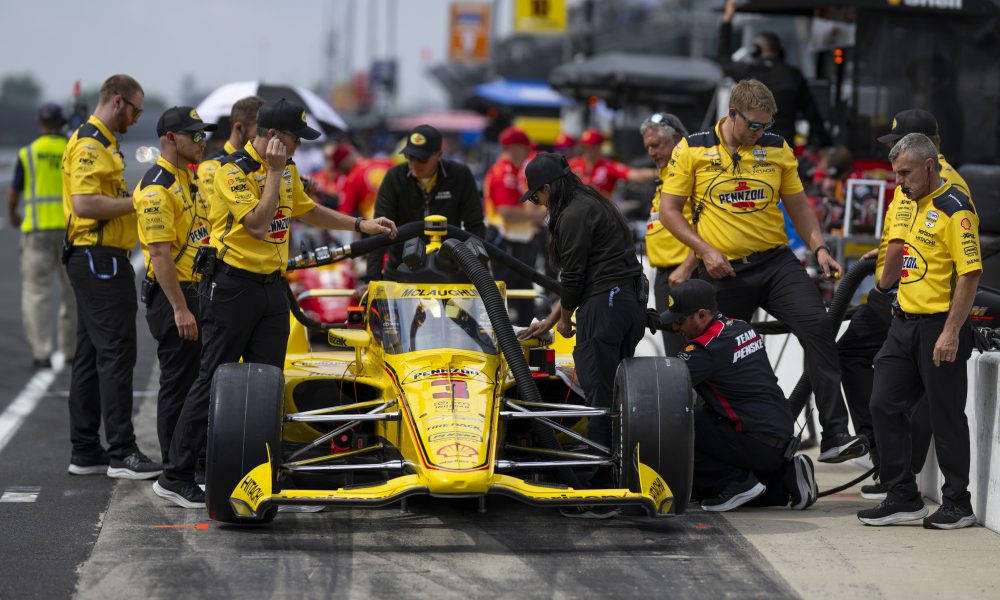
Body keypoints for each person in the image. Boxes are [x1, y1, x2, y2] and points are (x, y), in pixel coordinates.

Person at [153, 98, 397, 508]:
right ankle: (175, 475)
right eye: (295, 139)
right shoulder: (231, 172)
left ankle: (263, 474)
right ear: (273, 137)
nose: (300, 147)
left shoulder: (286, 170)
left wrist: (359, 223)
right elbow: (259, 223)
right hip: (232, 287)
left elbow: (306, 208)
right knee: (212, 378)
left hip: (271, 289)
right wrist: (273, 172)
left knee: (268, 383)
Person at [659, 78, 866, 464]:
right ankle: (712, 451)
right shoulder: (694, 148)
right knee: (715, 356)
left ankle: (835, 433)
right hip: (722, 271)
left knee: (818, 326)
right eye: (753, 125)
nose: (760, 133)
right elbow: (669, 212)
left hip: (774, 262)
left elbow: (800, 207)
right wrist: (704, 251)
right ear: (732, 114)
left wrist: (819, 246)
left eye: (765, 126)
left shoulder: (776, 148)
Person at [835, 110, 970, 501]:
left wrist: (880, 287)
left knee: (931, 400)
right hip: (905, 302)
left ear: (926, 148)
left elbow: (960, 263)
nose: (896, 168)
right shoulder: (915, 183)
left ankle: (904, 470)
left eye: (902, 162)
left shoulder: (945, 189)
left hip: (916, 301)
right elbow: (905, 237)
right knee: (886, 395)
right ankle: (897, 476)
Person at [857, 133, 981, 530]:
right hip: (902, 321)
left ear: (930, 166)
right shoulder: (908, 204)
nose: (899, 181)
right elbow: (911, 252)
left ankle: (958, 502)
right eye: (896, 174)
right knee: (882, 403)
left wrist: (951, 332)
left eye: (905, 173)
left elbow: (969, 274)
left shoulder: (956, 209)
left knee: (946, 417)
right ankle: (902, 495)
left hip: (938, 326)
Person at [517, 153, 647, 518]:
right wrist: (552, 316)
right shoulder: (590, 200)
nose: (537, 205)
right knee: (618, 396)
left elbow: (574, 278)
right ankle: (624, 477)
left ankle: (602, 492)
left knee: (598, 396)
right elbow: (588, 273)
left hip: (603, 307)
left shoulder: (571, 215)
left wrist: (564, 320)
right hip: (624, 301)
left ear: (546, 188)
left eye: (536, 197)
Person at [61, 74, 162, 479]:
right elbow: (85, 203)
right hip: (97, 259)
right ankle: (122, 452)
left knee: (90, 356)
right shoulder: (90, 144)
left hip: (95, 258)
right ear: (118, 102)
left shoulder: (102, 141)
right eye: (136, 110)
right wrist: (134, 202)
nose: (137, 118)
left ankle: (85, 449)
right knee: (117, 353)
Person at [661, 279, 817, 512]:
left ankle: (732, 483)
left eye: (680, 321)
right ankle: (787, 480)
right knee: (705, 421)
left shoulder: (702, 350)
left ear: (702, 315)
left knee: (675, 425)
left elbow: (663, 389)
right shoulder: (740, 326)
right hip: (779, 436)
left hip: (755, 441)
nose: (676, 329)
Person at [134, 107, 216, 465]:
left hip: (196, 291)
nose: (202, 141)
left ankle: (190, 458)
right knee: (178, 384)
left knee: (196, 383)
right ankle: (173, 468)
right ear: (171, 139)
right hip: (174, 298)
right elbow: (159, 254)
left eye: (203, 134)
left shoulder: (188, 177)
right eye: (195, 135)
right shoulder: (157, 187)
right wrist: (180, 308)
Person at [364, 124, 485, 283]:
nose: (414, 163)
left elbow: (474, 225)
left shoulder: (460, 175)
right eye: (410, 156)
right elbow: (380, 229)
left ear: (439, 155)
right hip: (401, 270)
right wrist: (371, 280)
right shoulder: (394, 177)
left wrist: (478, 273)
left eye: (421, 158)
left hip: (450, 269)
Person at [7, 102, 75, 369]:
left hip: (35, 230)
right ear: (61, 123)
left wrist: (13, 212)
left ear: (39, 123)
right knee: (72, 294)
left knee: (37, 293)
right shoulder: (71, 148)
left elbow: (14, 192)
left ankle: (42, 352)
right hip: (69, 230)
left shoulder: (28, 153)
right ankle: (70, 351)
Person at [717, 0, 831, 149]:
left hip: (752, 149)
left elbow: (723, 58)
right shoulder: (793, 75)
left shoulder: (748, 73)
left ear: (755, 50)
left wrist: (727, 19)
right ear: (780, 51)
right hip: (782, 149)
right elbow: (813, 115)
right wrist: (822, 144)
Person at [641, 112, 694, 356]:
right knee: (675, 354)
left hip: (684, 274)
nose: (651, 153)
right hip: (667, 275)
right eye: (648, 147)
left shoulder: (691, 173)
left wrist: (687, 266)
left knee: (687, 353)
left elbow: (711, 226)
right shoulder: (666, 177)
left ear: (676, 138)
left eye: (657, 145)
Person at [483, 127, 547, 325]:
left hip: (519, 243)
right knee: (506, 299)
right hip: (505, 243)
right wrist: (539, 214)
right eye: (525, 149)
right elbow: (506, 212)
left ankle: (525, 339)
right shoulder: (504, 173)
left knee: (524, 299)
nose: (528, 154)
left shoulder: (514, 171)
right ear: (514, 148)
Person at [196, 96, 262, 213]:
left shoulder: (266, 163)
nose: (265, 137)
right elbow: (212, 215)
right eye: (259, 132)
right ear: (239, 128)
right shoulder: (211, 167)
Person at [568, 129, 658, 199]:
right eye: (585, 146)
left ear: (599, 146)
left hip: (599, 212)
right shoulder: (572, 164)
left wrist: (661, 173)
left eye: (592, 146)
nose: (588, 150)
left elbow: (636, 175)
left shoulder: (608, 166)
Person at [331, 142, 393, 218]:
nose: (341, 171)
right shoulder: (384, 162)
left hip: (377, 221)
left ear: (345, 161)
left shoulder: (352, 178)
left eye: (340, 167)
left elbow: (344, 213)